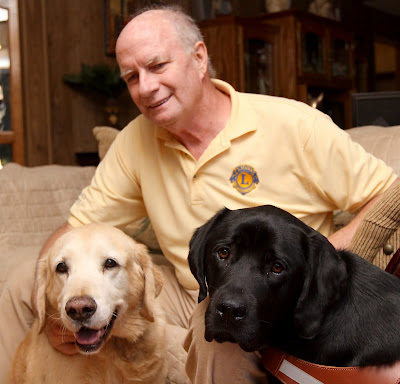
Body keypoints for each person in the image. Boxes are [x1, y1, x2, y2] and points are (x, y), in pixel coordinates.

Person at [0, 5, 398, 384]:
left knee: (221, 345)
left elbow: (387, 196)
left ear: (199, 57)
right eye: (131, 76)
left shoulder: (295, 124)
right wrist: (53, 317)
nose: (146, 87)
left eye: (157, 66)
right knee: (21, 282)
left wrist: (318, 263)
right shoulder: (134, 141)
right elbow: (77, 228)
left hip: (268, 289)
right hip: (188, 279)